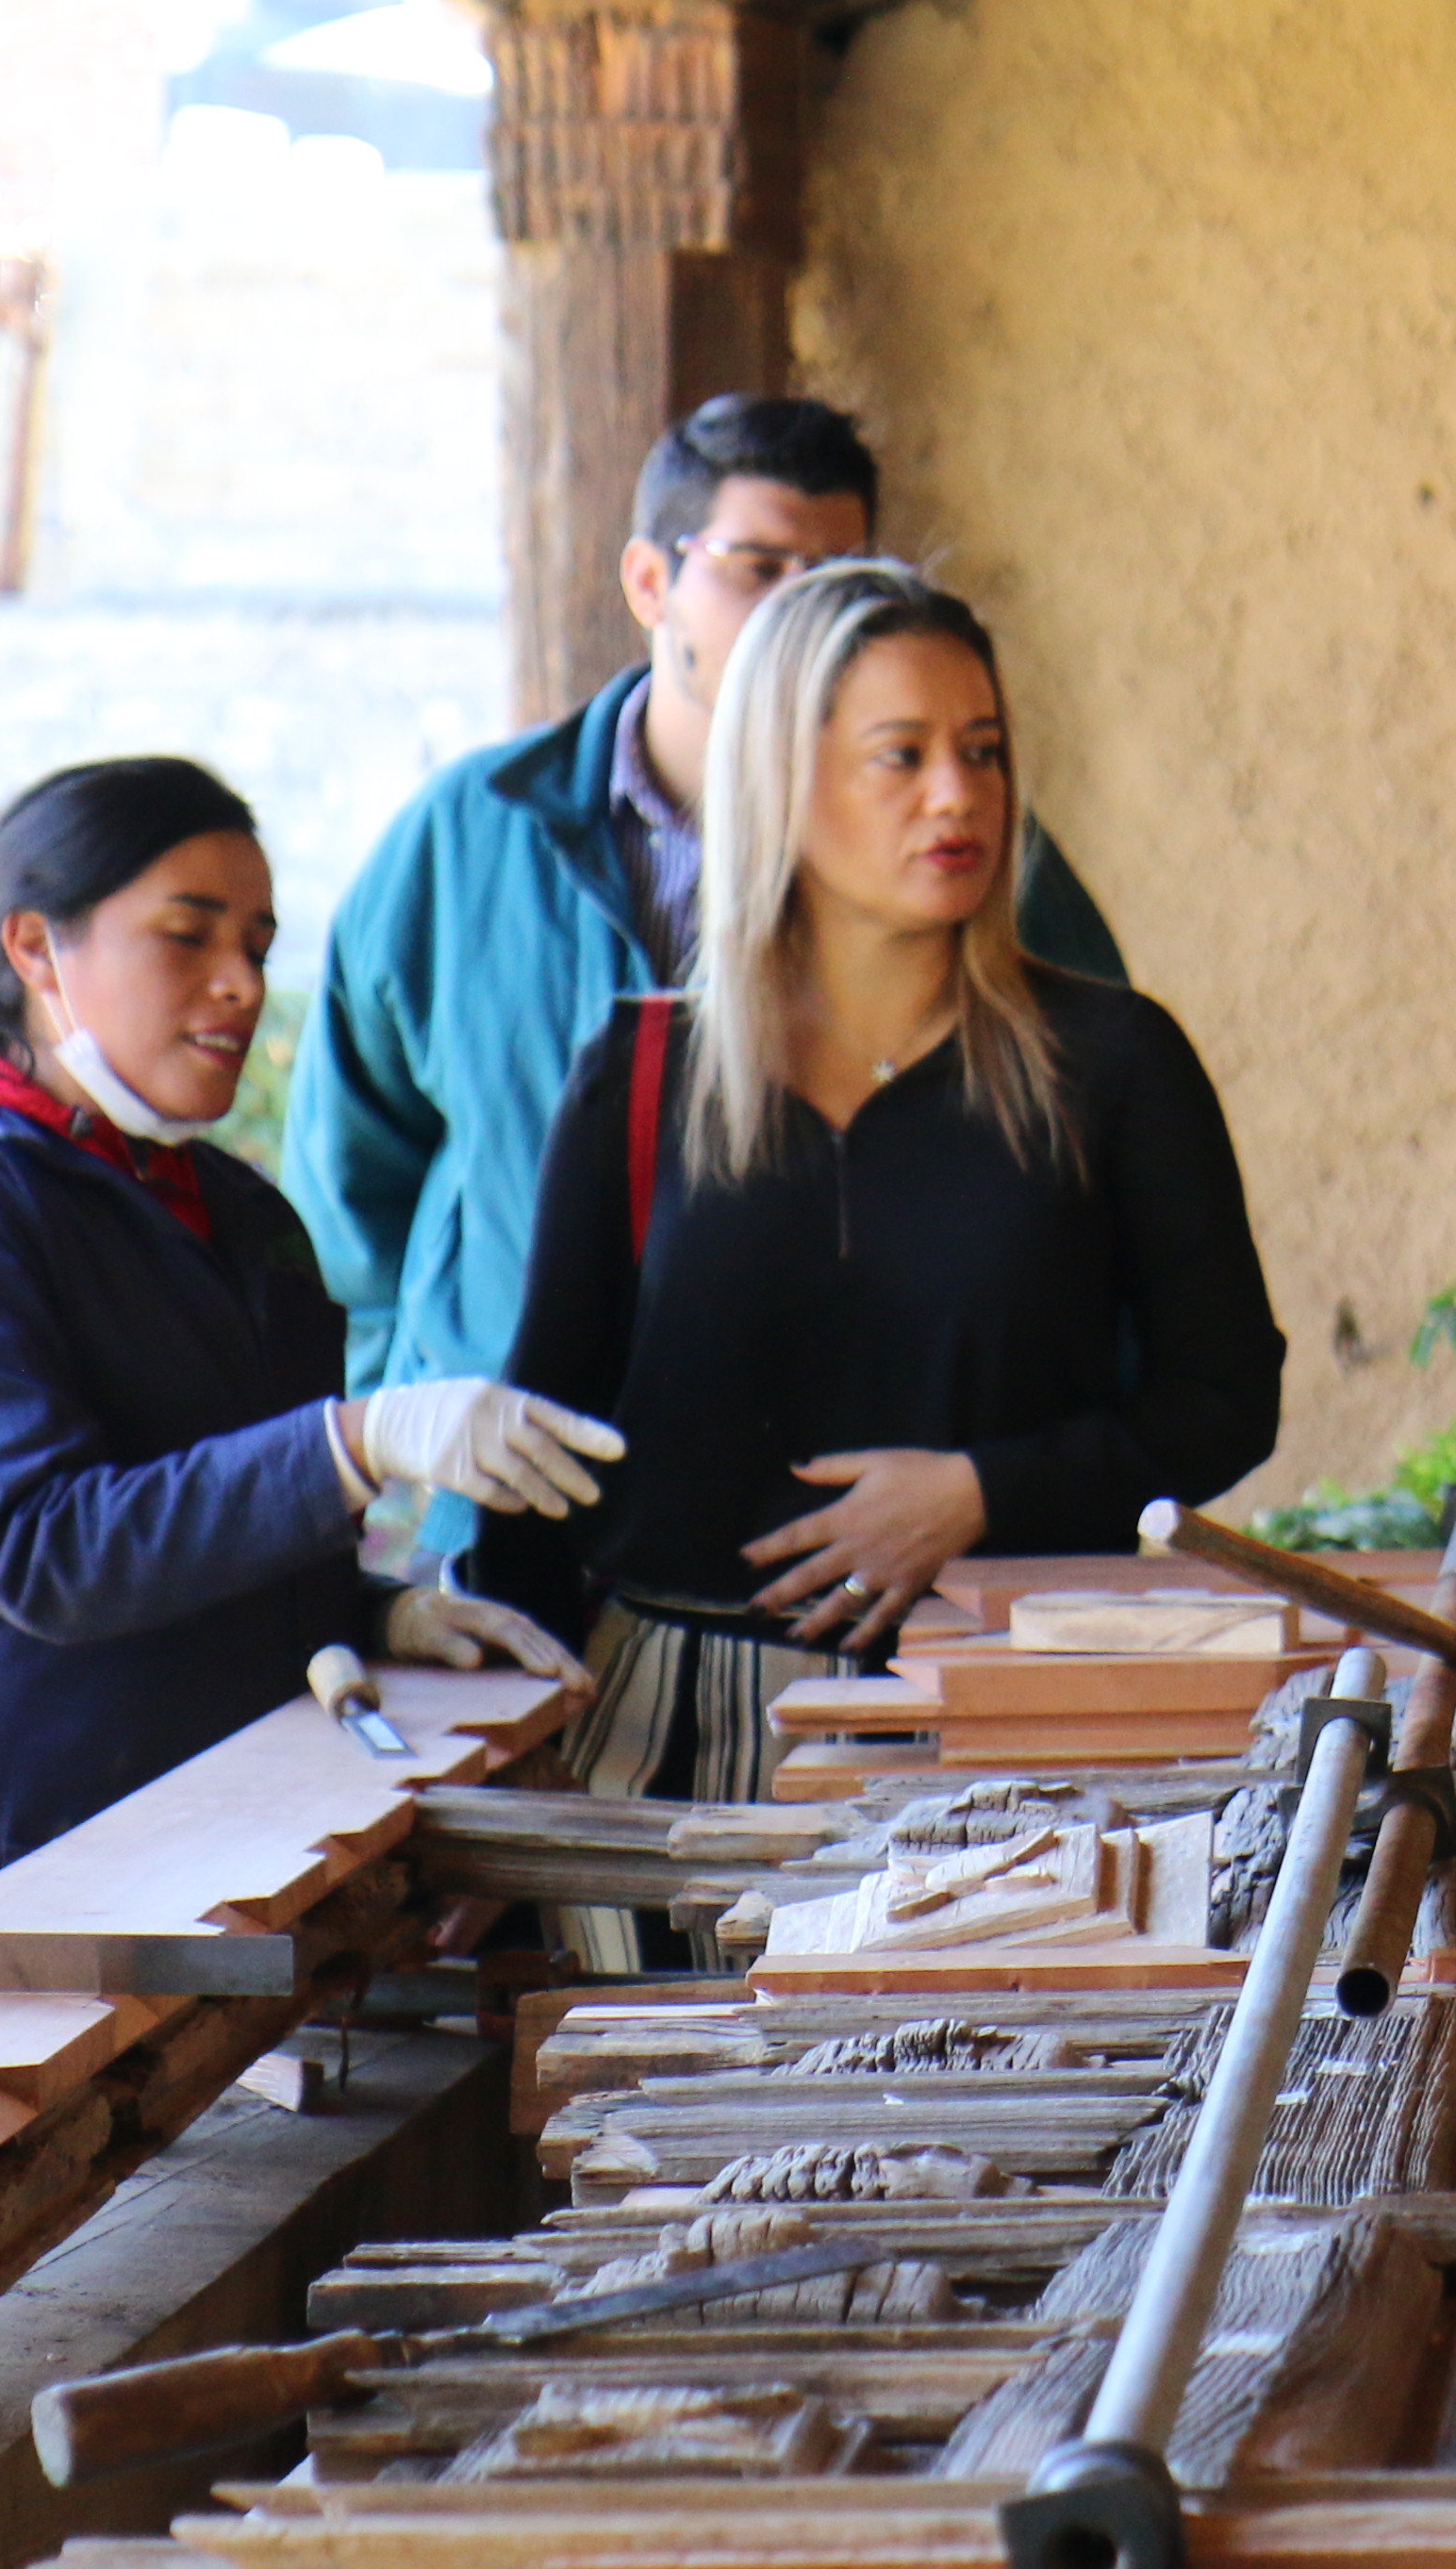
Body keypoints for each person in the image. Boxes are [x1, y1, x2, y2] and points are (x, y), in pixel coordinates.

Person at [478, 561, 1282, 1906]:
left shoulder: (1112, 1061)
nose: (958, 796)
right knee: (639, 2055)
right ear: (779, 779)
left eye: (984, 752)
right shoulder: (642, 1077)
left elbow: (1226, 1398)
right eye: (900, 757)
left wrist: (985, 1492)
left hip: (1015, 1728)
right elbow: (537, 1450)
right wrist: (512, 1757)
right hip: (660, 1753)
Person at [290, 394, 1125, 1540]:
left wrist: (1024, 1479)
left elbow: (1101, 1177)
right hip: (518, 1517)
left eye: (840, 577)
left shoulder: (969, 861)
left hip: (859, 1531)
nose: (802, 615)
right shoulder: (468, 836)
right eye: (760, 568)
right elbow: (350, 1193)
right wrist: (412, 1445)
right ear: (650, 583)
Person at [0, 758, 602, 1924]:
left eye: (259, 948)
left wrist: (374, 1613)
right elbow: (42, 1549)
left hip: (236, 1835)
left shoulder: (234, 1209)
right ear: (35, 949)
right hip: (14, 1861)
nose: (241, 984)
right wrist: (355, 1443)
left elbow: (215, 1529)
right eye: (187, 937)